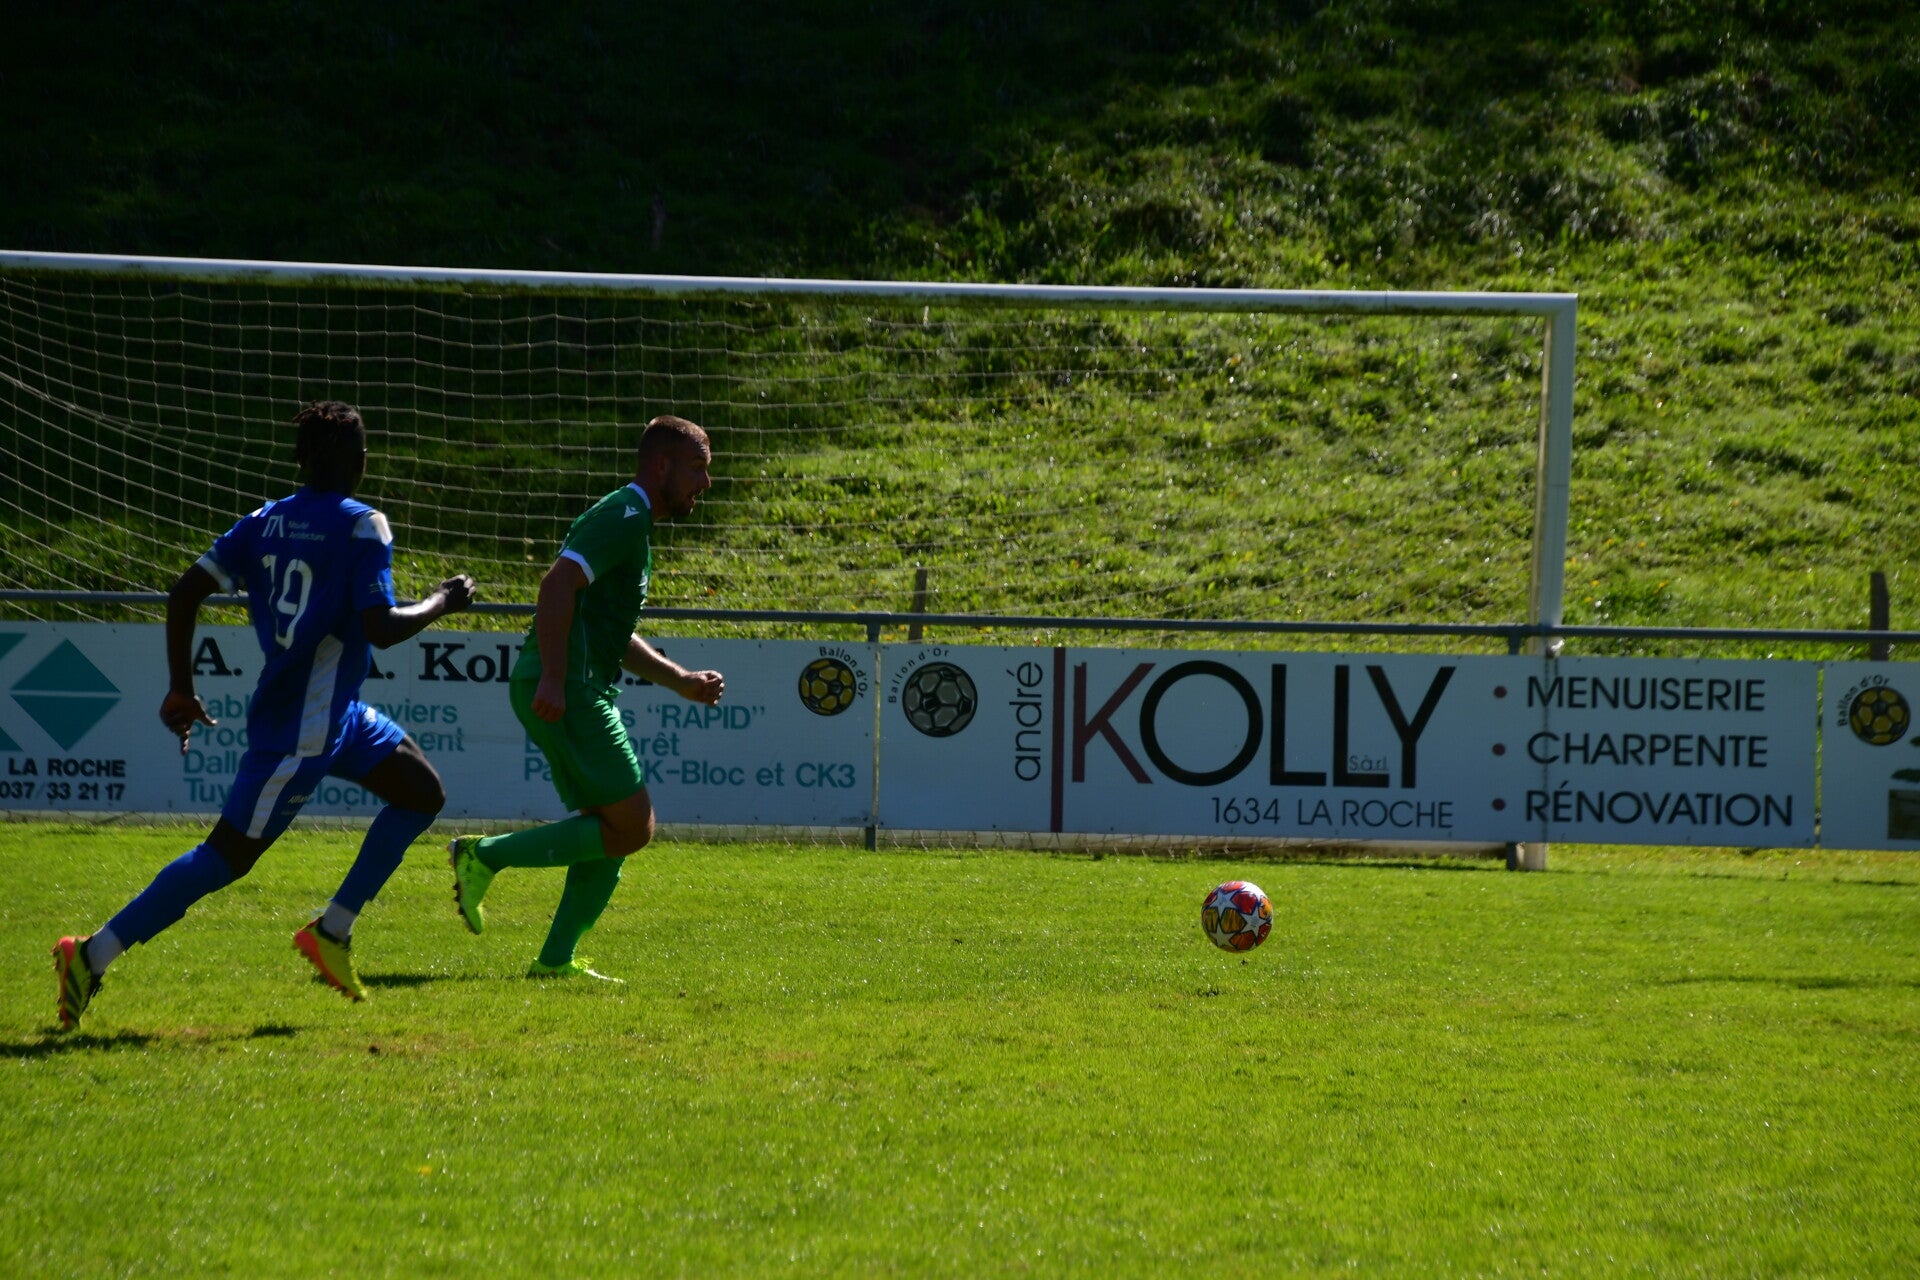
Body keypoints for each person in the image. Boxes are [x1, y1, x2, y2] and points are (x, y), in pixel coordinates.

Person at [52, 401, 477, 1029]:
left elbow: (184, 592)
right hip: (303, 727)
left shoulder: (261, 521)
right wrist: (443, 599)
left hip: (337, 713)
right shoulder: (364, 524)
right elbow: (381, 628)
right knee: (225, 858)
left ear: (302, 460)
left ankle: (332, 930)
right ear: (360, 462)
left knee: (420, 792)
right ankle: (90, 955)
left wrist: (180, 688)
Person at [445, 414, 724, 982]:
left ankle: (555, 961)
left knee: (613, 830)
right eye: (697, 468)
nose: (706, 482)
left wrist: (680, 680)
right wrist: (554, 676)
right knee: (633, 825)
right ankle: (483, 855)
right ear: (662, 465)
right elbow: (556, 585)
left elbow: (609, 632)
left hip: (576, 683)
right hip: (568, 687)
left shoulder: (632, 525)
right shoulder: (624, 516)